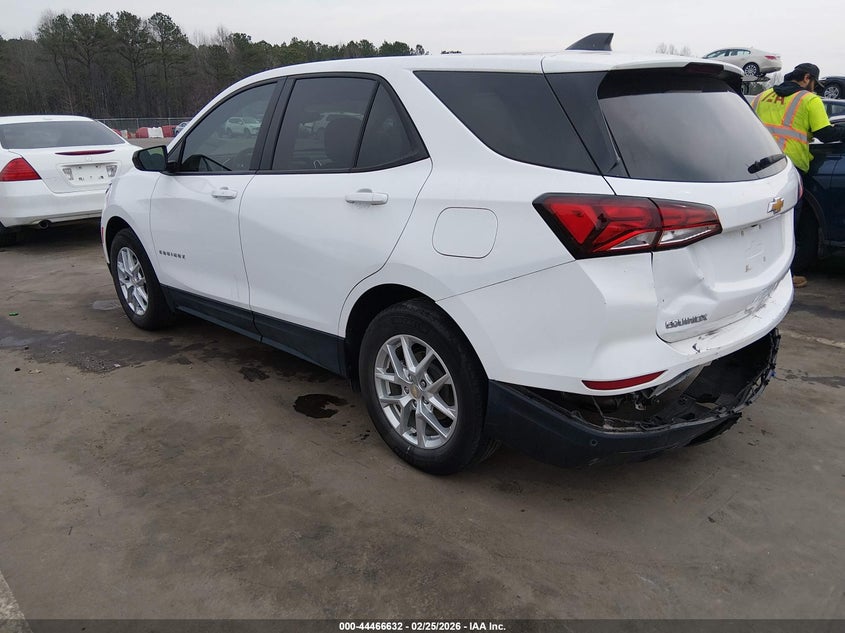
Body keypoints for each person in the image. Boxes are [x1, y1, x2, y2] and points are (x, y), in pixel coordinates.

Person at [752, 63, 845, 288]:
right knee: (787, 223)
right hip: (788, 168)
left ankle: (753, 270)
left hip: (755, 167)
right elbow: (826, 133)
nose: (814, 89)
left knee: (758, 222)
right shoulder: (808, 100)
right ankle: (785, 275)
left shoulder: (762, 96)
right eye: (814, 83)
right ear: (806, 78)